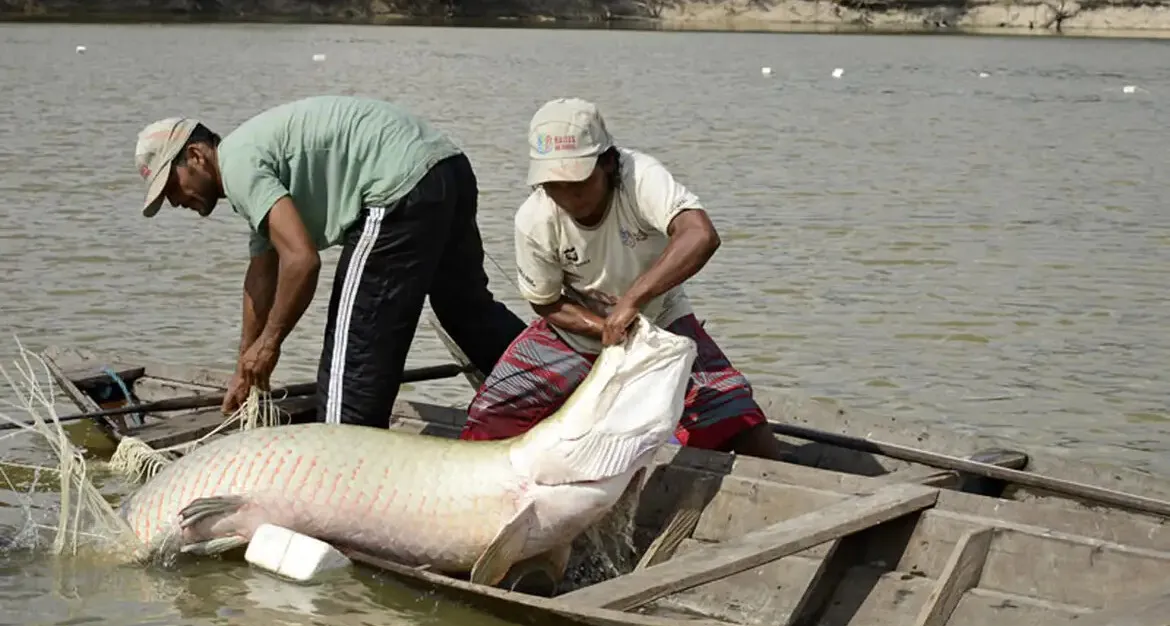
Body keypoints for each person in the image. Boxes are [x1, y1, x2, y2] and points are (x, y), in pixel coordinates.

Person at [134, 95, 527, 428]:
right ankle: (551, 384)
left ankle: (346, 466)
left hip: (397, 188)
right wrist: (244, 366)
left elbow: (301, 262)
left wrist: (269, 345)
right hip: (447, 167)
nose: (175, 202)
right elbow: (262, 273)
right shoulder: (249, 158)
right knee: (466, 311)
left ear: (196, 156)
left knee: (351, 364)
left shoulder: (238, 167)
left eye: (172, 186)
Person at [457, 97, 791, 461]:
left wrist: (632, 302)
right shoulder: (534, 218)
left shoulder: (640, 177)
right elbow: (546, 302)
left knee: (739, 420)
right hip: (575, 331)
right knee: (489, 416)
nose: (568, 196)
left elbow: (700, 234)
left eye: (578, 181)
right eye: (554, 184)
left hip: (660, 321)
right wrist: (604, 327)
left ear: (608, 164)